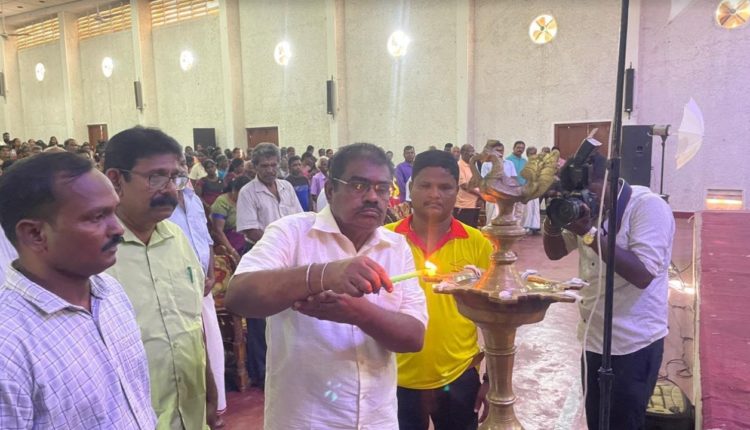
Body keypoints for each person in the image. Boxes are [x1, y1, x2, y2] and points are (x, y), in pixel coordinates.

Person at [225, 142, 427, 429]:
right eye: (359, 186)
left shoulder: (396, 247)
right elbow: (239, 296)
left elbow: (413, 337)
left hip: (377, 418)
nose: (373, 197)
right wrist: (324, 274)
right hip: (306, 420)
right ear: (330, 190)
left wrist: (358, 313)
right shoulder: (293, 232)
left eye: (382, 189)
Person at [0, 152, 156, 429]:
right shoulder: (8, 346)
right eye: (97, 217)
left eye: (114, 211)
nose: (118, 229)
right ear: (35, 234)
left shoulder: (110, 293)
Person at [542, 153, 674, 430]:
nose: (584, 198)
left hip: (633, 341)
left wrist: (589, 233)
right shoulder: (585, 206)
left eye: (590, 190)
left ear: (610, 179)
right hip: (593, 337)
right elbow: (555, 252)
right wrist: (553, 220)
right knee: (597, 421)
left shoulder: (647, 206)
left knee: (624, 423)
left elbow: (642, 274)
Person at [103, 126, 216, 430]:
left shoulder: (177, 239)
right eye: (156, 178)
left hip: (190, 415)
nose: (169, 190)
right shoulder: (93, 252)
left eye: (176, 177)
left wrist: (210, 388)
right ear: (115, 180)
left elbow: (192, 324)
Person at [386, 150, 493, 430]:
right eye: (425, 185)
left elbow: (496, 318)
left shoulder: (477, 243)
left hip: (459, 377)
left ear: (457, 191)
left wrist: (491, 380)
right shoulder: (385, 241)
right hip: (394, 378)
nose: (435, 194)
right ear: (411, 188)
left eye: (445, 187)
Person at [235, 142, 303, 388]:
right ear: (254, 166)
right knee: (260, 315)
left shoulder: (286, 187)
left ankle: (288, 366)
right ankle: (262, 371)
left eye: (274, 165)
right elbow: (250, 229)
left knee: (288, 313)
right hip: (261, 255)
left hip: (289, 257)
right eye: (264, 166)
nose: (270, 170)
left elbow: (299, 219)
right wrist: (279, 243)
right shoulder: (247, 192)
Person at [169, 159, 227, 425]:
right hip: (177, 285)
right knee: (188, 350)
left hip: (203, 285)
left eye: (183, 166)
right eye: (175, 170)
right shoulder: (162, 205)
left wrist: (212, 273)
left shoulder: (194, 201)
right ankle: (193, 412)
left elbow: (207, 240)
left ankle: (217, 406)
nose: (181, 172)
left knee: (212, 344)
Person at [211, 176, 252, 261]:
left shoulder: (248, 201)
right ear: (234, 190)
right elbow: (218, 231)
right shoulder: (222, 202)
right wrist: (232, 251)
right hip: (229, 240)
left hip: (246, 237)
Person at [480, 140, 517, 226]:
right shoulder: (486, 164)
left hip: (507, 196)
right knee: (491, 220)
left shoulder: (509, 163)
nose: (500, 152)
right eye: (497, 150)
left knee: (507, 220)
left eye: (501, 150)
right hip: (492, 196)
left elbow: (513, 179)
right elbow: (484, 180)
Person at [454, 144, 481, 228]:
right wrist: (480, 195)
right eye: (470, 151)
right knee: (464, 230)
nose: (473, 154)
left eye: (473, 151)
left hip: (475, 205)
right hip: (464, 206)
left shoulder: (473, 165)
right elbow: (464, 185)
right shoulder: (459, 165)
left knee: (473, 230)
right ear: (463, 153)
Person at [522, 146, 541, 234]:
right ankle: (526, 226)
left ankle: (535, 226)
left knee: (535, 207)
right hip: (527, 188)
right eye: (531, 154)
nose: (533, 155)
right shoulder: (525, 164)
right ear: (527, 154)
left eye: (534, 153)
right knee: (528, 208)